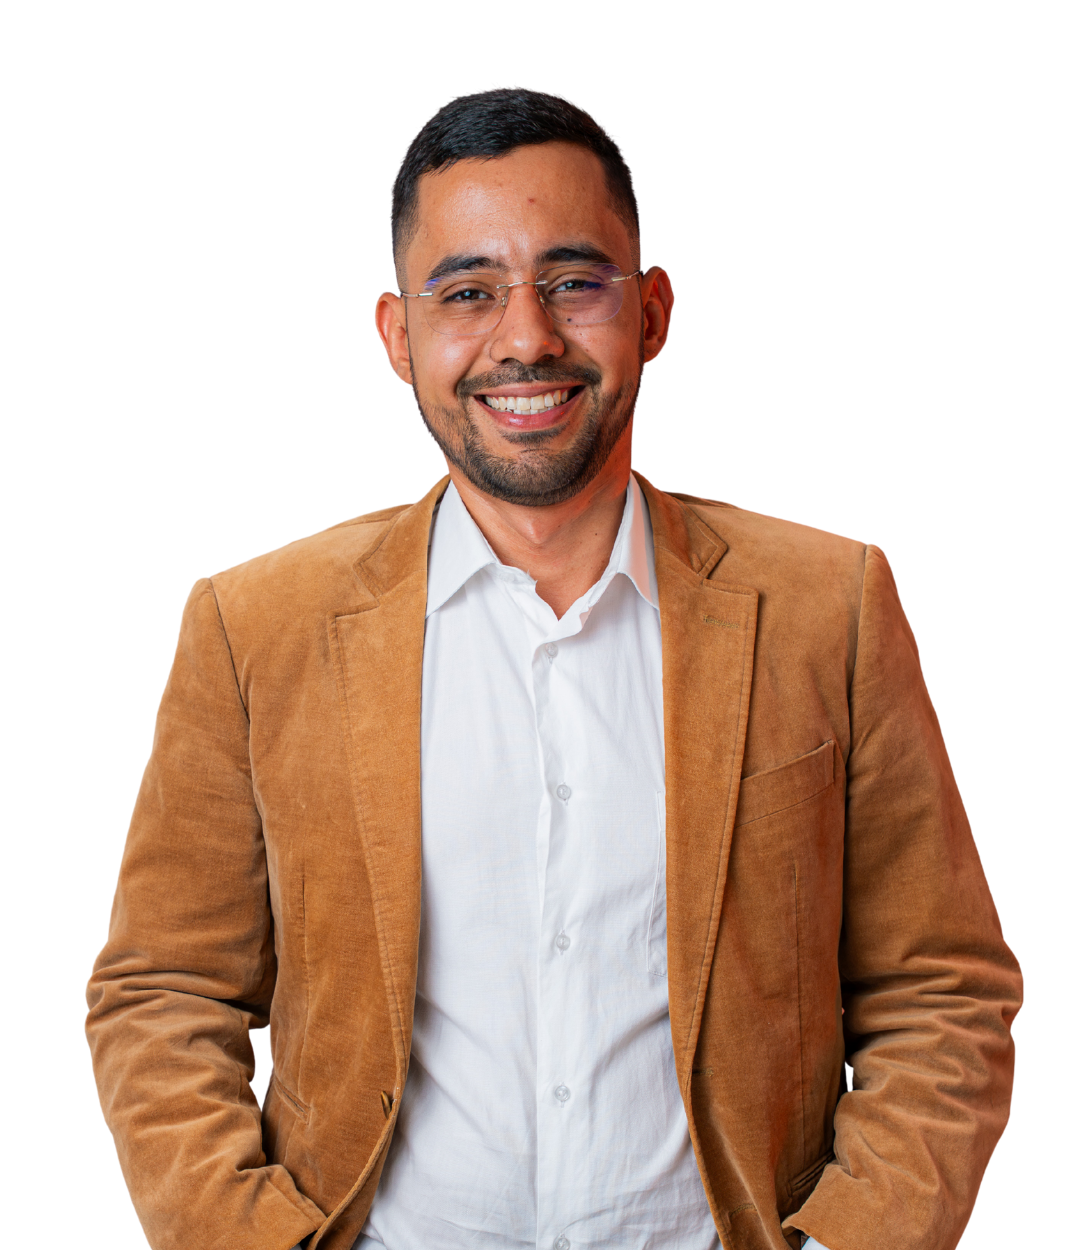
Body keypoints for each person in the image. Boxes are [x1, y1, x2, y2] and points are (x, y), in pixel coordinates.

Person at [85, 87, 1022, 1250]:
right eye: (467, 291)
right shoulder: (253, 625)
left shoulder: (829, 606)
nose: (525, 338)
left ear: (653, 311)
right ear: (397, 336)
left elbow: (944, 989)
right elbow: (164, 992)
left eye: (574, 282)